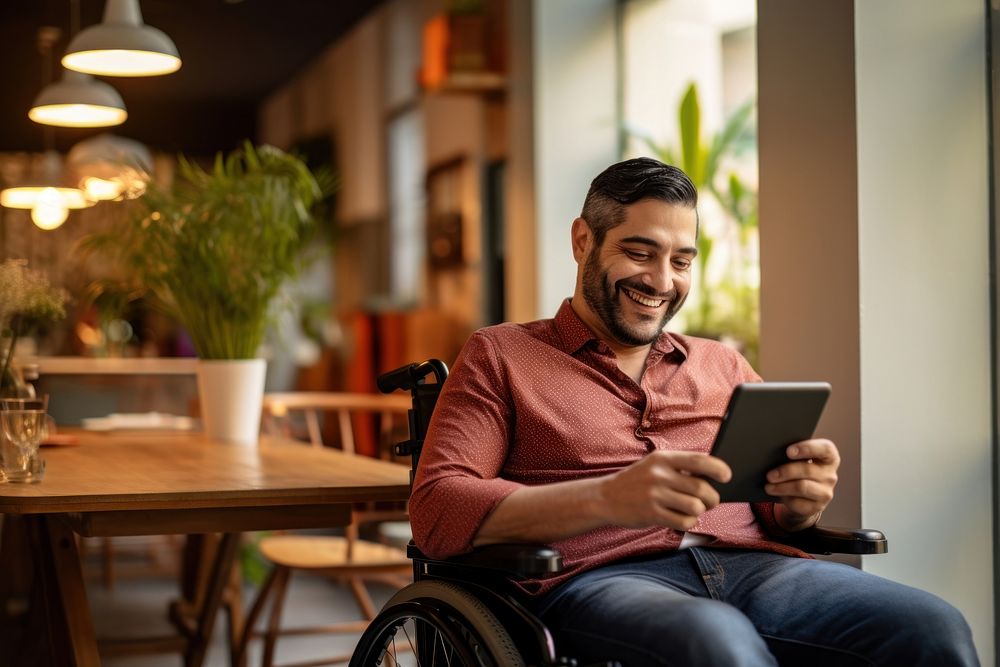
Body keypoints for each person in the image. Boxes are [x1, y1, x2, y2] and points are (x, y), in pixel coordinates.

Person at [408, 157, 979, 666]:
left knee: (933, 626)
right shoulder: (501, 354)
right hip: (604, 578)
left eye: (682, 260)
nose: (662, 281)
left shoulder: (722, 365)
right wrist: (605, 498)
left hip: (759, 570)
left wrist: (799, 504)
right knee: (715, 640)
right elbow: (437, 509)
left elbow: (775, 512)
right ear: (583, 240)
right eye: (639, 252)